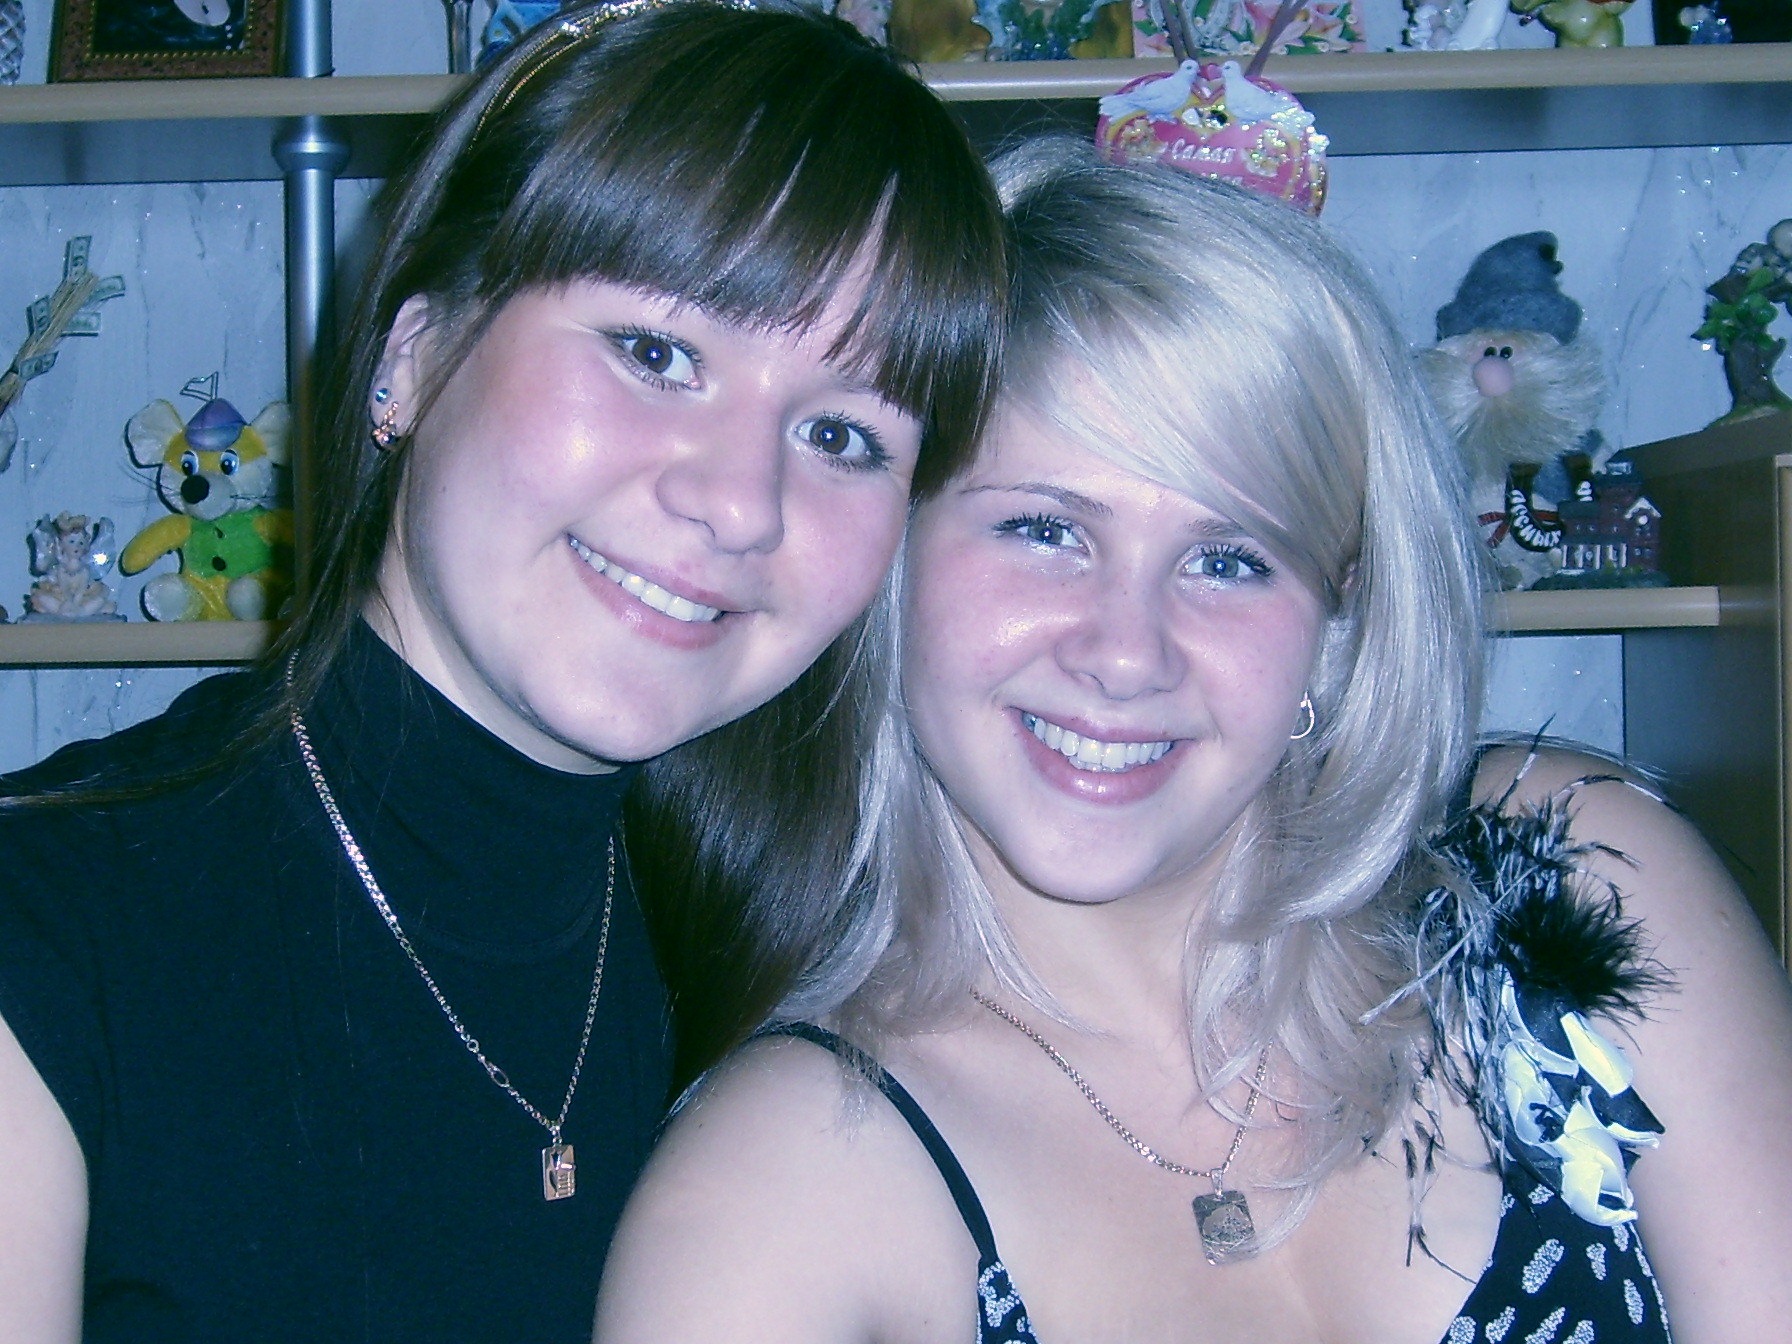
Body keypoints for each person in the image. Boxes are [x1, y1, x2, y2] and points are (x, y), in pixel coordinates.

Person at [594, 137, 1792, 1344]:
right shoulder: (773, 1199)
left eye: (1228, 560)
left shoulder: (1573, 893)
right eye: (1044, 531)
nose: (1126, 653)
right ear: (891, 560)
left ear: (1336, 617)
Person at [0, 3, 1005, 1340]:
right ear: (414, 358)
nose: (739, 503)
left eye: (842, 437)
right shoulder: (49, 940)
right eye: (657, 354)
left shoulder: (806, 969)